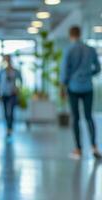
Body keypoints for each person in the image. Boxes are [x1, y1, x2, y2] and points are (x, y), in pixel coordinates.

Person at [60, 26, 101, 159]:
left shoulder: (69, 50)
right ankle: (94, 147)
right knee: (89, 117)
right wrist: (88, 74)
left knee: (76, 118)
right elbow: (98, 68)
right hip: (88, 87)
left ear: (70, 35)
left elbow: (65, 72)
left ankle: (78, 149)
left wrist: (63, 86)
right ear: (80, 33)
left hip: (73, 87)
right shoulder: (90, 49)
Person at [0, 55, 22, 136]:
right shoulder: (1, 71)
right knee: (5, 112)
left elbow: (21, 81)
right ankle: (7, 127)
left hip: (12, 94)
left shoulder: (15, 71)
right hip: (4, 94)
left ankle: (10, 127)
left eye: (8, 59)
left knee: (11, 111)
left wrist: (17, 89)